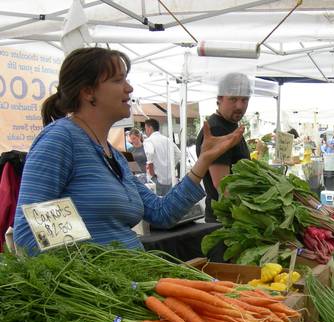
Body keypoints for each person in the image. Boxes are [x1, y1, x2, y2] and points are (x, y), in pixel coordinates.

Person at [13, 47, 242, 254]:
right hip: (100, 291)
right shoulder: (60, 139)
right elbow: (29, 233)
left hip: (129, 279)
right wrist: (98, 276)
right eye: (118, 80)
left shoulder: (112, 155)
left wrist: (203, 161)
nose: (129, 88)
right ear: (88, 92)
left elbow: (161, 213)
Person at [196, 72, 252, 224]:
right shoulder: (217, 129)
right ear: (220, 98)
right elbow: (223, 185)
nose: (239, 106)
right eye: (233, 99)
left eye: (244, 100)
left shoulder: (230, 127)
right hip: (225, 220)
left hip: (231, 216)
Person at [143, 118, 179, 197]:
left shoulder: (148, 140)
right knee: (168, 204)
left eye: (145, 128)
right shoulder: (167, 139)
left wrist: (151, 171)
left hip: (156, 178)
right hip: (169, 178)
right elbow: (178, 154)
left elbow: (149, 153)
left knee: (156, 204)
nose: (145, 131)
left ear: (150, 128)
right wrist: (171, 166)